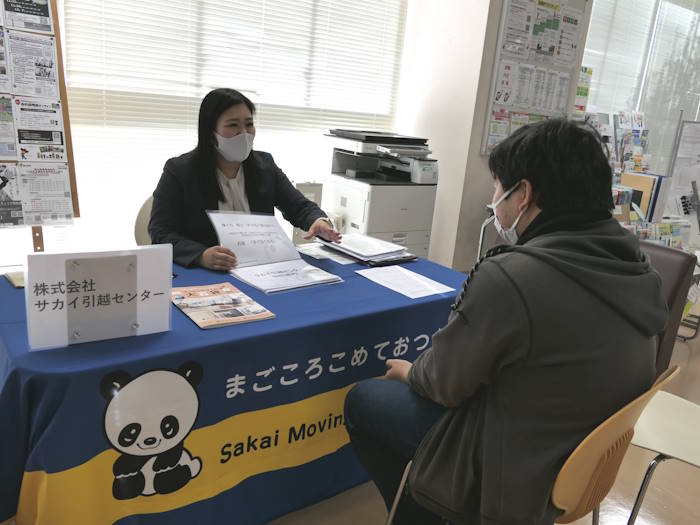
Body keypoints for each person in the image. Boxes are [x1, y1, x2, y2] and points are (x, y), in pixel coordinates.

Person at [344, 118, 668, 525]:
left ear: (524, 194)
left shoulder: (513, 278)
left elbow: (446, 382)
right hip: (583, 458)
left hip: (515, 468)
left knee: (365, 400)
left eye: (498, 187)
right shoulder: (636, 266)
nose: (494, 200)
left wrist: (412, 373)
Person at [149, 88, 340, 269]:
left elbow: (299, 207)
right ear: (210, 131)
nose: (244, 133)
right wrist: (201, 255)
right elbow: (160, 232)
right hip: (209, 272)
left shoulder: (264, 165)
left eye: (249, 124)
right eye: (233, 125)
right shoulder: (179, 170)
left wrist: (318, 221)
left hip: (261, 266)